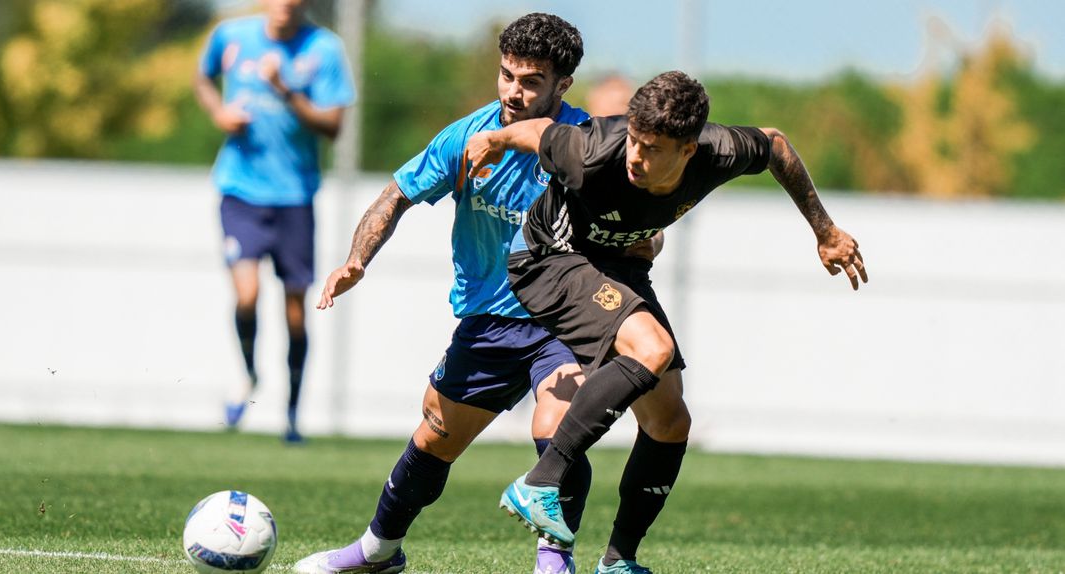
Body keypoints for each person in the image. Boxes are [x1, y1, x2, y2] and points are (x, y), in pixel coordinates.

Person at [462, 71, 868, 573]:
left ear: (688, 150)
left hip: (619, 266)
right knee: (651, 349)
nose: (635, 156)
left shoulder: (720, 151)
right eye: (634, 139)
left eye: (652, 148)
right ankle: (540, 482)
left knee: (671, 421)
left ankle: (618, 561)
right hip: (548, 258)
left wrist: (825, 231)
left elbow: (777, 146)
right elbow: (538, 131)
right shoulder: (592, 150)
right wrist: (493, 139)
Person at [292, 13, 627, 574]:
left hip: (564, 319)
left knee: (556, 429)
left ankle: (554, 561)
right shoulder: (466, 138)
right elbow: (396, 195)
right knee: (434, 440)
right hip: (488, 319)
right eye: (507, 75)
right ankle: (377, 551)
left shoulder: (588, 144)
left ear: (563, 84)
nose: (514, 92)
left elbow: (637, 222)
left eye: (531, 82)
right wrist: (356, 260)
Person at [194, 0, 355, 443]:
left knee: (296, 313)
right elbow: (202, 77)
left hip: (294, 196)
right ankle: (249, 375)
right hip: (240, 190)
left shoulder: (324, 49)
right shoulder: (231, 35)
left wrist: (285, 90)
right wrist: (219, 112)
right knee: (247, 295)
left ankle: (292, 415)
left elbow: (333, 125)